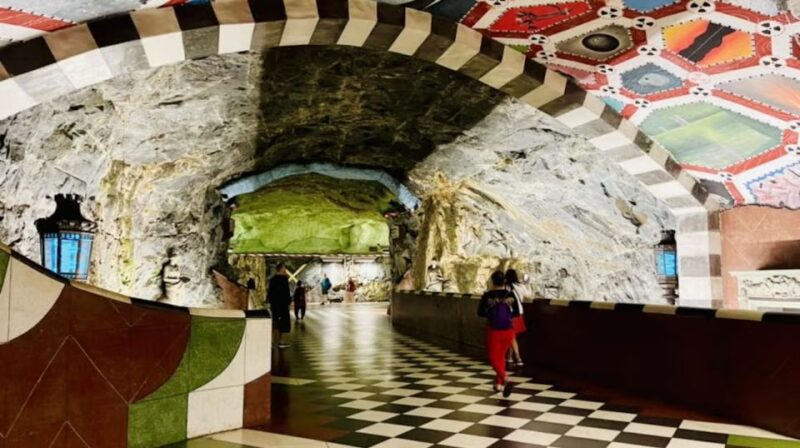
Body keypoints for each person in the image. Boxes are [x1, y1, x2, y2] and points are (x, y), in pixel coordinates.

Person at [478, 271, 520, 397]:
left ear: (492, 281)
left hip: (494, 330)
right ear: (504, 281)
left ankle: (506, 379)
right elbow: (517, 313)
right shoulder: (511, 294)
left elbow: (480, 312)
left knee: (493, 358)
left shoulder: (487, 295)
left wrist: (492, 310)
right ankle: (499, 385)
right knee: (501, 357)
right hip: (509, 330)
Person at [506, 269, 531, 368]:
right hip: (519, 312)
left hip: (509, 314)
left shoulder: (506, 286)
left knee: (512, 335)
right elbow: (529, 295)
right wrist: (527, 284)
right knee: (513, 335)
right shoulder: (520, 286)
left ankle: (514, 356)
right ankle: (513, 357)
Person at [268, 262, 292, 348]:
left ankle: (272, 341)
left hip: (275, 305)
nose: (285, 269)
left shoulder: (272, 279)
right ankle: (280, 341)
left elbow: (270, 292)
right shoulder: (284, 279)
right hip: (283, 304)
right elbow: (286, 292)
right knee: (283, 323)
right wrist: (288, 303)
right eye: (284, 268)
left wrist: (271, 302)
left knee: (275, 322)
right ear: (281, 269)